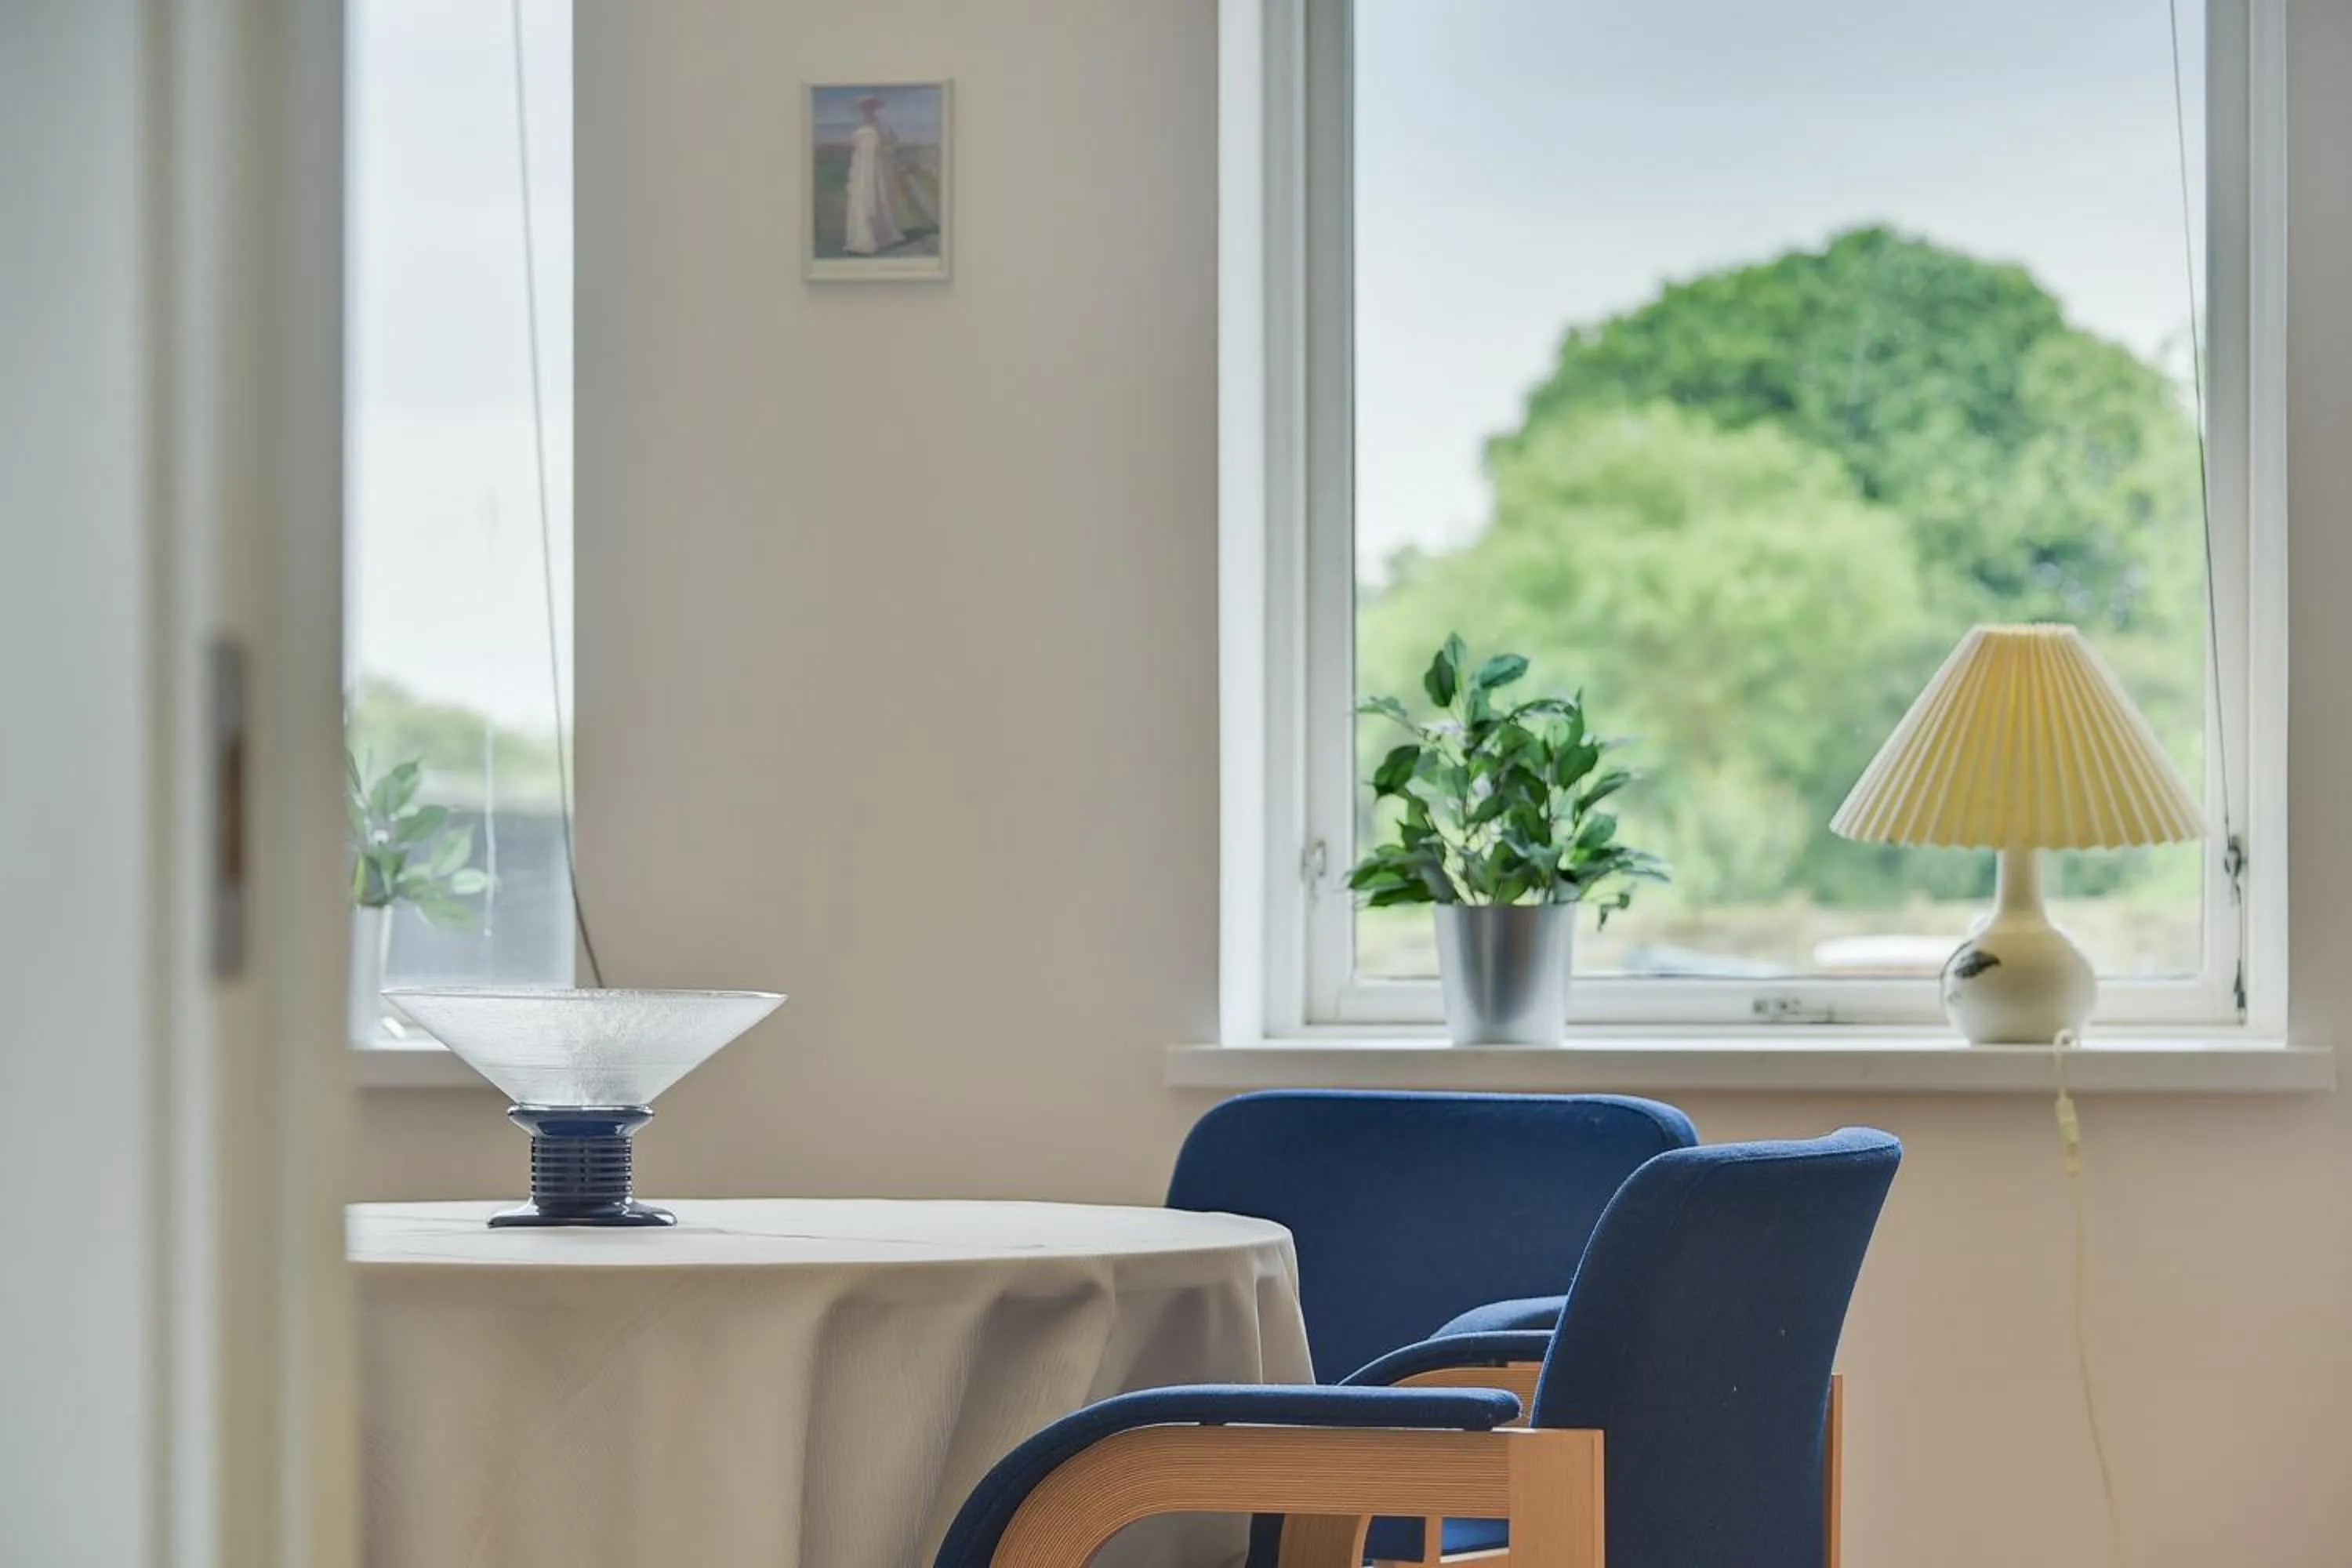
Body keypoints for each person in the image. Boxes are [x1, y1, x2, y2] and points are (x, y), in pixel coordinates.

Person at [842, 94, 905, 256]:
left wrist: (884, 153)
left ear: (875, 108)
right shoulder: (858, 129)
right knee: (862, 199)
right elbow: (855, 150)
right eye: (865, 107)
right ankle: (863, 238)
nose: (867, 109)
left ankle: (883, 234)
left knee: (878, 198)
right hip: (861, 170)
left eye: (871, 106)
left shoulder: (883, 127)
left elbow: (894, 145)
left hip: (879, 170)